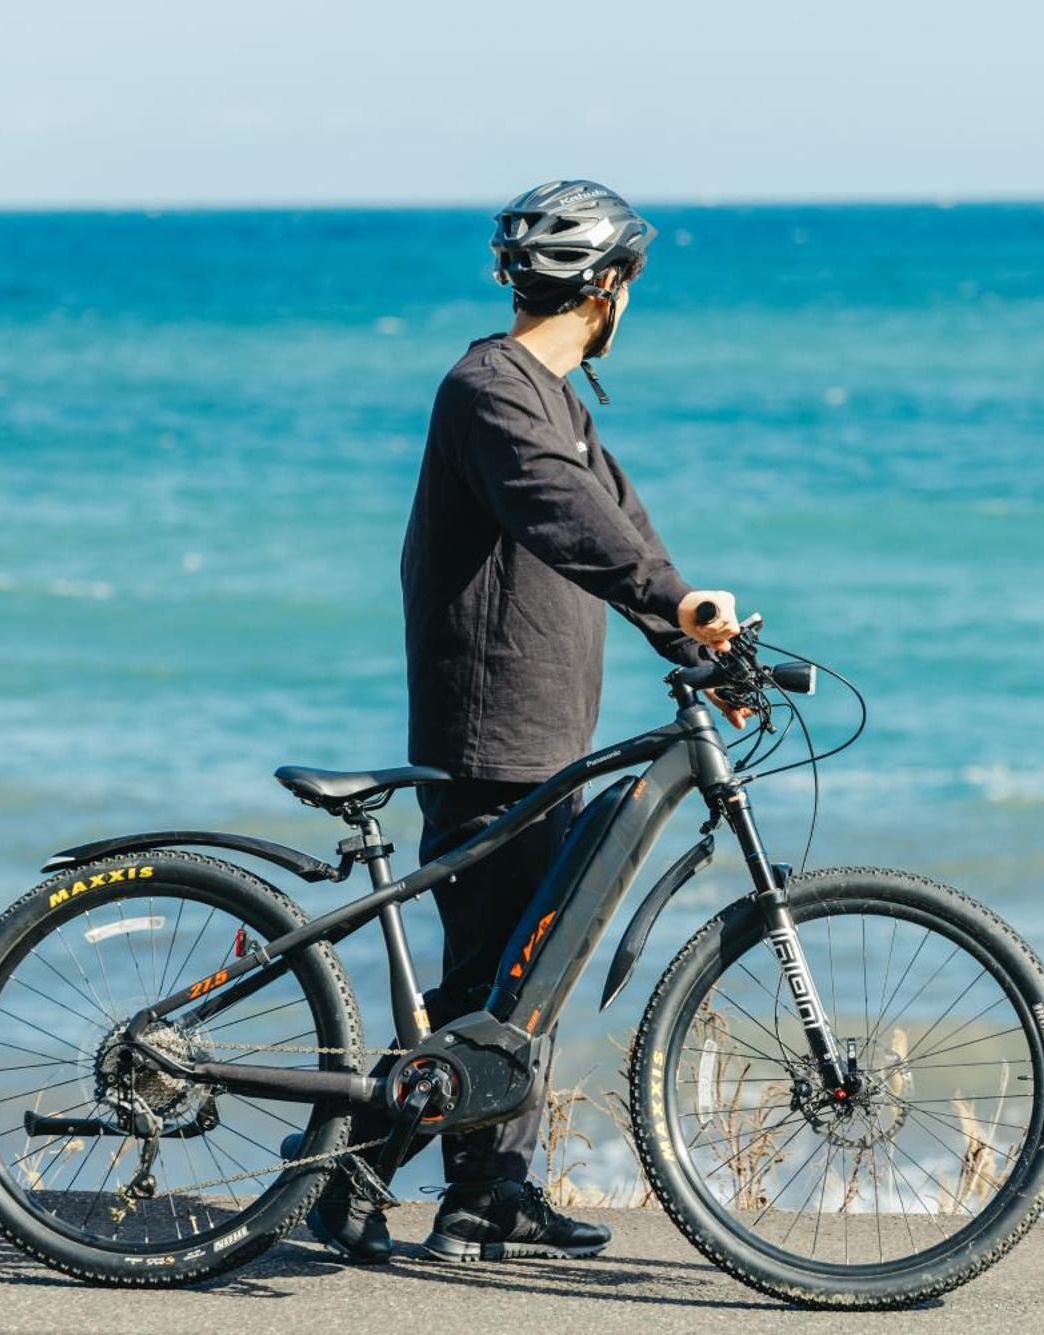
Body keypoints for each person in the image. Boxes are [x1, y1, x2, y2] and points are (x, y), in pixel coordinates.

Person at [298, 180, 744, 1264]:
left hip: (543, 724)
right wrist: (674, 602)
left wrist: (707, 648)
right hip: (490, 722)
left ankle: (485, 1194)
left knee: (515, 980)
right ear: (608, 289)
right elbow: (557, 509)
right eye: (628, 282)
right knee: (487, 980)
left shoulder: (555, 397)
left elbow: (618, 527)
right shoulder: (489, 391)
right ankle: (350, 1181)